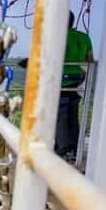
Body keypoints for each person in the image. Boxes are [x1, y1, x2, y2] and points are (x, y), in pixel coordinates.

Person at [19, 11, 93, 162]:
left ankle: (62, 149)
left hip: (60, 79)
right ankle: (73, 149)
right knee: (72, 115)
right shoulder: (84, 37)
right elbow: (89, 60)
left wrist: (28, 62)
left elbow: (48, 56)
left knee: (60, 114)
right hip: (78, 79)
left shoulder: (58, 36)